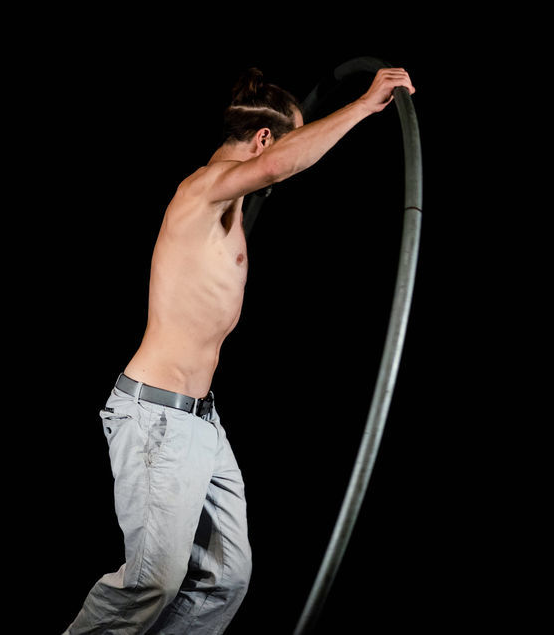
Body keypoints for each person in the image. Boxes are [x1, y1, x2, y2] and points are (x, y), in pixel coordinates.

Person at [65, 65, 416, 635]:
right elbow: (278, 163)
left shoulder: (230, 207)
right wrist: (364, 106)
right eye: (287, 142)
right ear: (262, 140)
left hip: (201, 420)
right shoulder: (202, 189)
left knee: (224, 577)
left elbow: (273, 165)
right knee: (150, 583)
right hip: (157, 416)